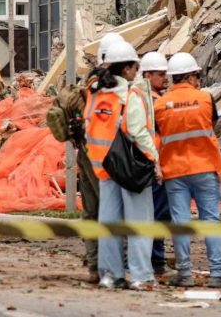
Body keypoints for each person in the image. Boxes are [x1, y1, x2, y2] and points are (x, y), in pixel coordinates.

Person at [84, 40, 161, 290]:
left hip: (104, 169)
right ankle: (141, 276)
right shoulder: (130, 95)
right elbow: (138, 132)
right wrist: (155, 161)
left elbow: (88, 130)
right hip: (131, 170)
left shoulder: (95, 95)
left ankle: (110, 275)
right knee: (140, 223)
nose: (136, 73)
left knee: (109, 223)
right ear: (126, 69)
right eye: (135, 68)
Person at [154, 52, 221, 289]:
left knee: (180, 221)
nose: (198, 80)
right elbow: (211, 124)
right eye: (197, 75)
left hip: (174, 171)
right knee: (211, 222)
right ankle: (217, 275)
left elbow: (158, 133)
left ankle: (184, 273)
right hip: (204, 167)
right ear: (191, 76)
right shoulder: (206, 99)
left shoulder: (160, 104)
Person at [48, 83, 101, 283]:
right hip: (99, 155)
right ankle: (109, 264)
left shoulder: (86, 88)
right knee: (108, 209)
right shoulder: (105, 91)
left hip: (85, 153)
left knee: (90, 211)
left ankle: (93, 262)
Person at [139, 51, 172, 277]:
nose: (166, 79)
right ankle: (156, 261)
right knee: (158, 215)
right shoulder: (154, 103)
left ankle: (147, 259)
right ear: (147, 75)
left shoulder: (141, 99)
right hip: (154, 166)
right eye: (161, 75)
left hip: (147, 165)